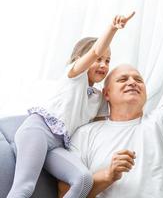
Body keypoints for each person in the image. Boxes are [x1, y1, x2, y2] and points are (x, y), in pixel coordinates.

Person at [59, 15, 163, 198]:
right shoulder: (85, 134)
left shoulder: (162, 122)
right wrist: (108, 175)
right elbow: (65, 193)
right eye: (123, 79)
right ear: (106, 93)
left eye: (138, 79)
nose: (132, 82)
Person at [7, 12, 135, 198]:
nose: (103, 64)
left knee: (83, 178)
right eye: (99, 60)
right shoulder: (74, 76)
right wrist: (113, 29)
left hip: (59, 144)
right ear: (79, 59)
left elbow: (101, 129)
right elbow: (95, 51)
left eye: (107, 61)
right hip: (38, 131)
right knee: (25, 187)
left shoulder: (98, 98)